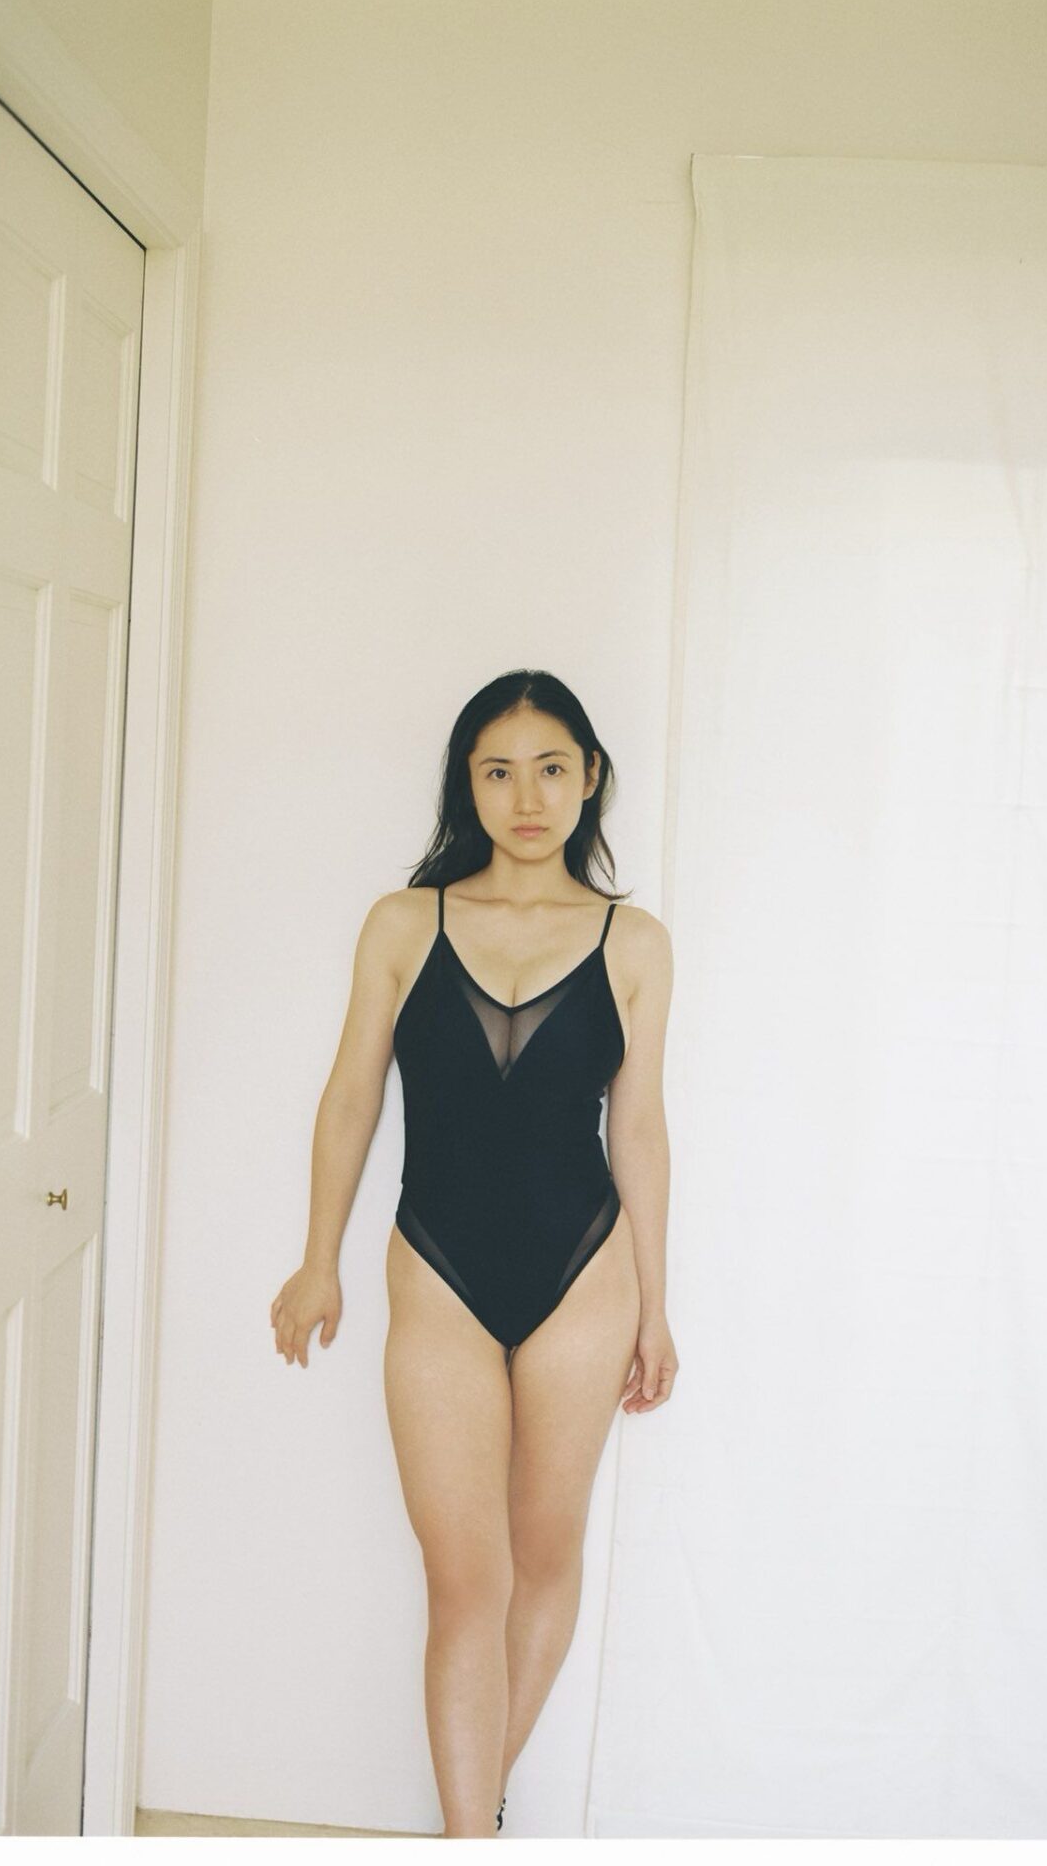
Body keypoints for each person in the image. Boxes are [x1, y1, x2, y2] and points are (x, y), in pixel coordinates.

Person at [269, 669, 678, 1838]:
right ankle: (471, 1831)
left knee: (543, 1558)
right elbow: (351, 1095)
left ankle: (470, 1824)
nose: (526, 798)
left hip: (585, 1276)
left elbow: (638, 1127)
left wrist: (655, 1308)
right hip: (436, 1272)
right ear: (467, 785)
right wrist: (316, 1258)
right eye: (498, 772)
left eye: (550, 769)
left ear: (590, 777)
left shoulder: (635, 942)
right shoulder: (404, 924)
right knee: (466, 1579)